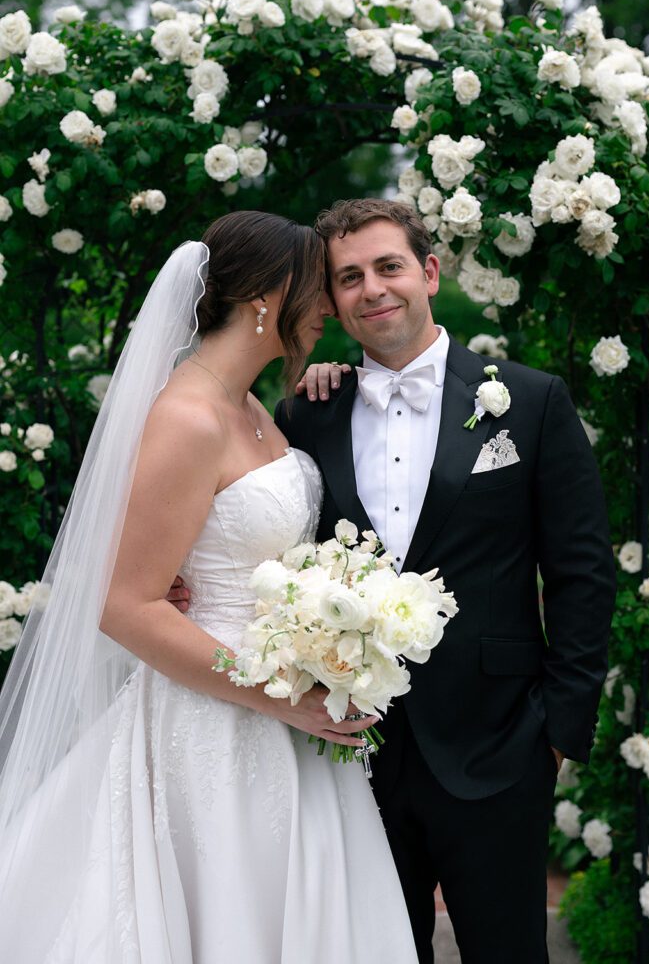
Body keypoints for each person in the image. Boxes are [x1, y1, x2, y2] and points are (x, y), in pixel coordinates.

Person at [0, 211, 419, 963]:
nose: (329, 306)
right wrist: (273, 694)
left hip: (286, 708)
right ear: (265, 295)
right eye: (316, 288)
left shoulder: (255, 406)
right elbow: (121, 606)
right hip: (213, 719)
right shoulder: (187, 416)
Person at [277, 198, 616, 963]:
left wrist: (557, 734)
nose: (372, 289)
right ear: (331, 300)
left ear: (428, 271)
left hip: (499, 744)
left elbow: (581, 573)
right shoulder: (307, 414)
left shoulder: (529, 403)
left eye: (388, 266)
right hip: (350, 753)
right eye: (349, 277)